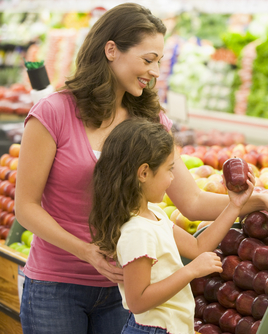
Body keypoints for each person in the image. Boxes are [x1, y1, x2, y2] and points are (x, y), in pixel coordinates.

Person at [15, 3, 268, 334]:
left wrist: (262, 199)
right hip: (56, 287)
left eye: (159, 60)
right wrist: (87, 252)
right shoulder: (53, 112)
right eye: (148, 60)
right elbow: (26, 208)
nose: (156, 71)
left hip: (127, 290)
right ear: (111, 50)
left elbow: (192, 203)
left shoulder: (151, 121)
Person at [89, 119, 254, 333]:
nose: (172, 178)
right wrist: (190, 271)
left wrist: (234, 206)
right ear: (144, 173)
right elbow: (138, 300)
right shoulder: (137, 231)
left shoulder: (154, 214)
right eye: (169, 170)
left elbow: (198, 247)